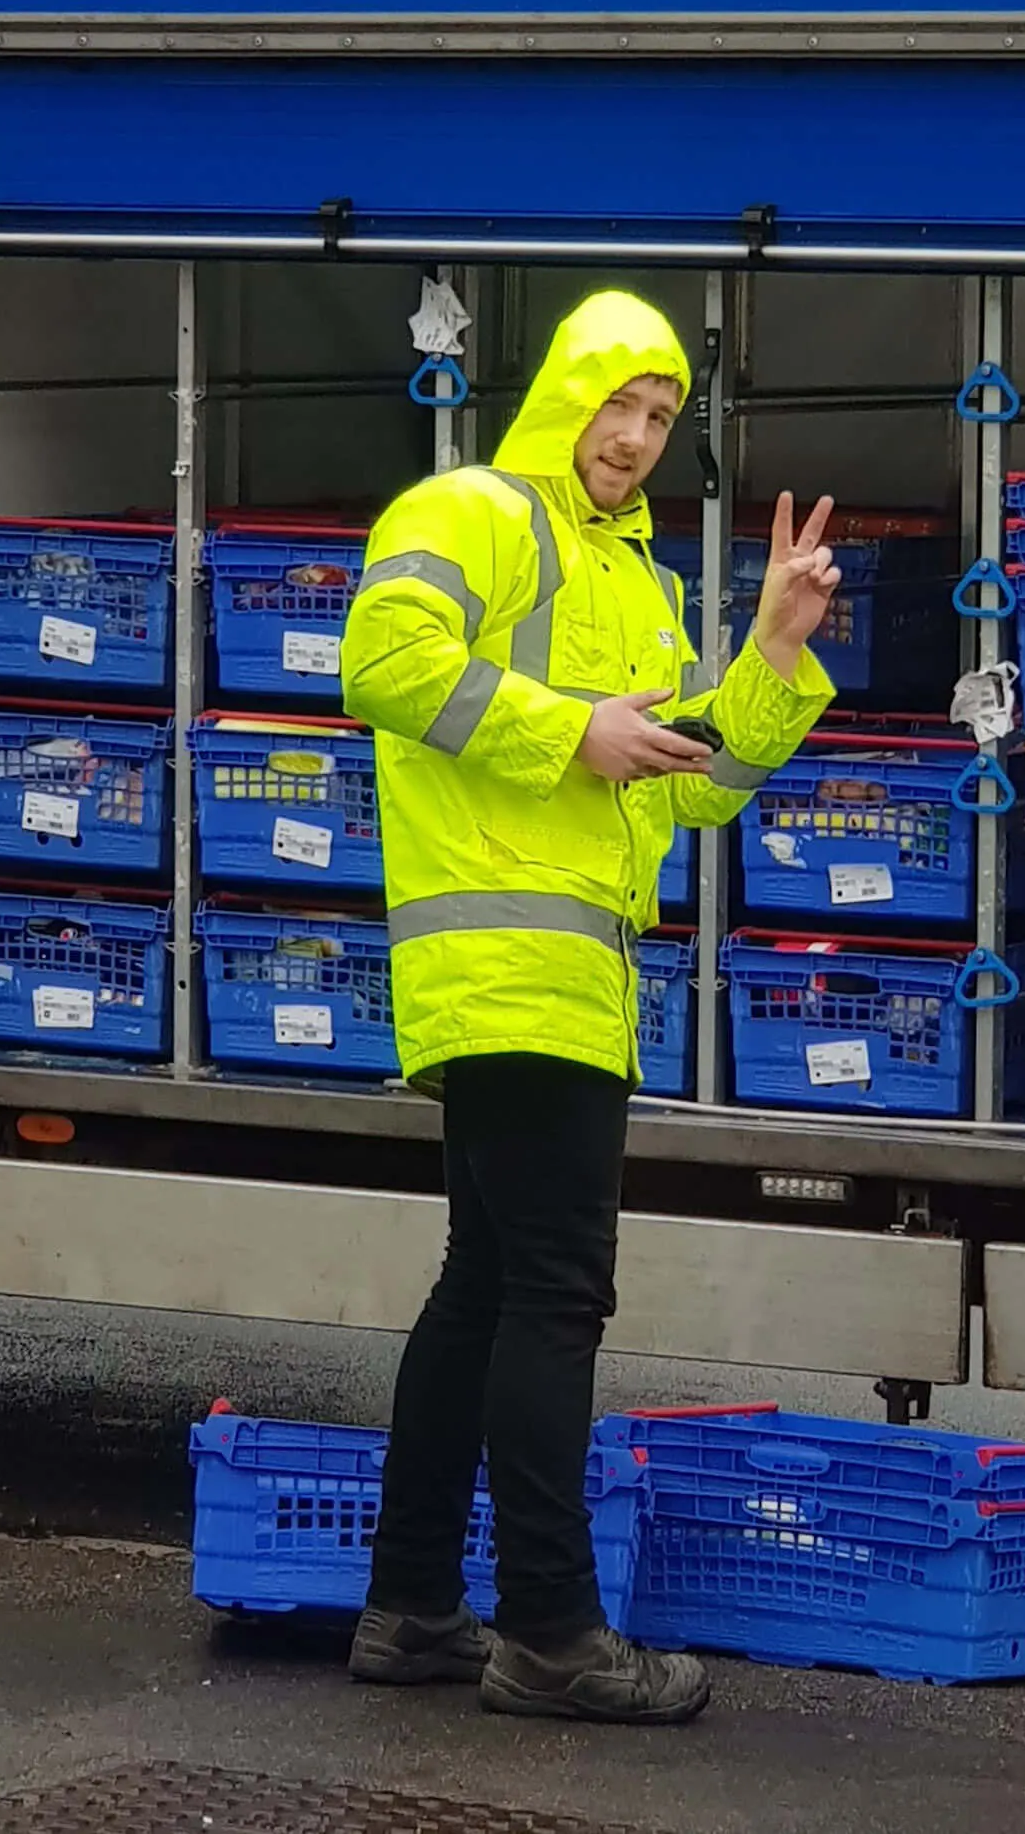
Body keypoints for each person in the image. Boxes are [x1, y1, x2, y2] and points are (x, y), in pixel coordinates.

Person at [338, 289, 840, 1724]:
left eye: (660, 415)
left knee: (486, 1289)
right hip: (517, 975)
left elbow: (695, 782)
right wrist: (571, 728)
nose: (632, 436)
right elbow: (378, 659)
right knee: (557, 1298)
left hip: (568, 979)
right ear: (563, 391)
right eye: (614, 401)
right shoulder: (472, 509)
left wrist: (775, 650)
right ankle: (551, 1631)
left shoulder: (642, 585)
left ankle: (412, 1608)